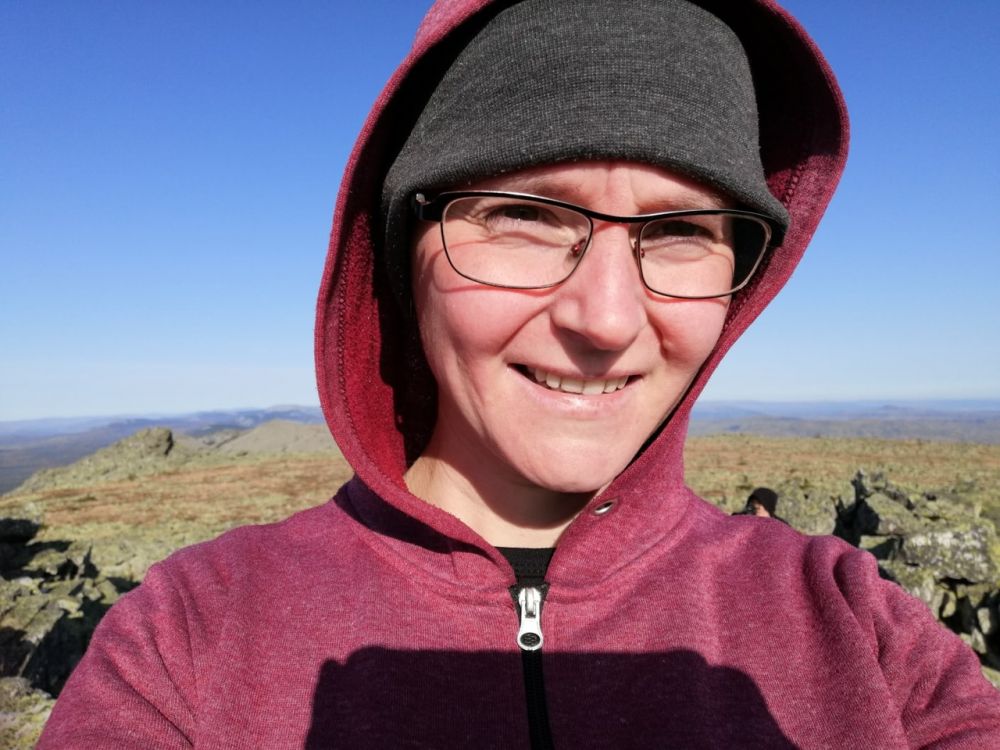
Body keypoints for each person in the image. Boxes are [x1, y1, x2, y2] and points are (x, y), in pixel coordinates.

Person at [39, 0, 1000, 747]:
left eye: (680, 231)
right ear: (402, 254)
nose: (606, 319)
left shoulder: (858, 626)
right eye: (526, 215)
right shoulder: (190, 637)